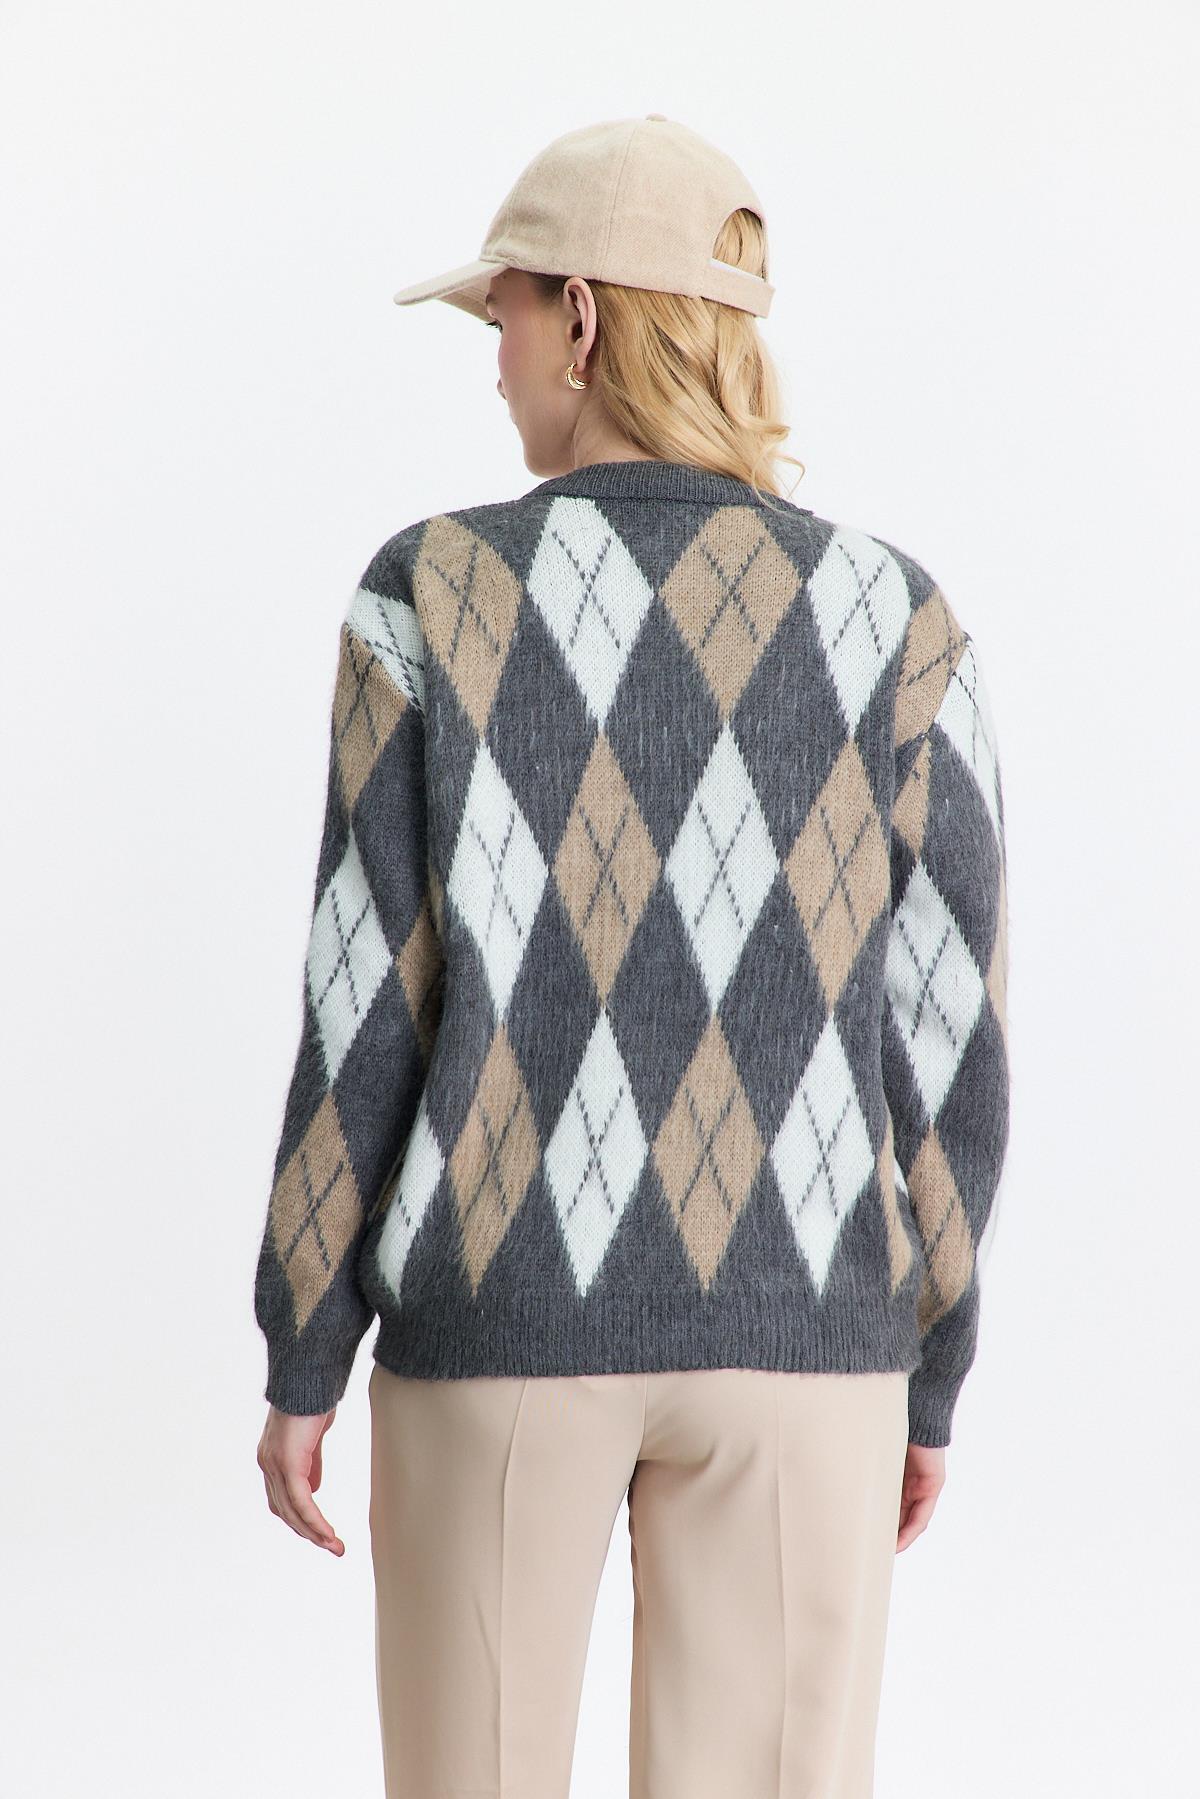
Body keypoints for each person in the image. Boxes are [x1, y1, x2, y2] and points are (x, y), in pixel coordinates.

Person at [253, 114, 1011, 1799]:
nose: (494, 358)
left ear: (583, 318)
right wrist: (930, 1369)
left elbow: (364, 1000)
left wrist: (304, 1344)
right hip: (806, 1337)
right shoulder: (900, 619)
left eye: (506, 312)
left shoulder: (429, 592)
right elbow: (947, 1037)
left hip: (498, 1318)